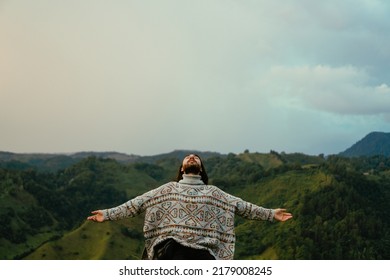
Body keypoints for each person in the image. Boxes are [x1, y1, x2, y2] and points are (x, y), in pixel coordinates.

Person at [87, 154, 292, 260]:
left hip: (203, 253)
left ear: (200, 169)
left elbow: (243, 207)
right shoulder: (166, 190)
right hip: (172, 250)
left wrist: (271, 214)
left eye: (196, 158)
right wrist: (107, 214)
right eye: (188, 157)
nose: (192, 157)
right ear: (182, 168)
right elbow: (136, 204)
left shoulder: (215, 193)